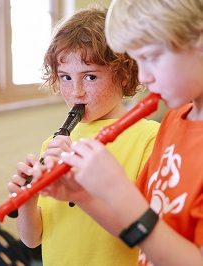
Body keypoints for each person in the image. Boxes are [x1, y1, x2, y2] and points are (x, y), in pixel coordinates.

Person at [8, 6, 159, 266]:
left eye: (90, 77)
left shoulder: (148, 138)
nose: (76, 92)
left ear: (123, 75)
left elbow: (146, 234)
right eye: (65, 77)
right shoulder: (53, 145)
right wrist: (27, 201)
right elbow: (33, 240)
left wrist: (80, 191)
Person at [55, 1, 203, 265]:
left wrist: (117, 190)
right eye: (136, 60)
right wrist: (82, 196)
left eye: (149, 57)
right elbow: (138, 228)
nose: (143, 76)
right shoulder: (173, 121)